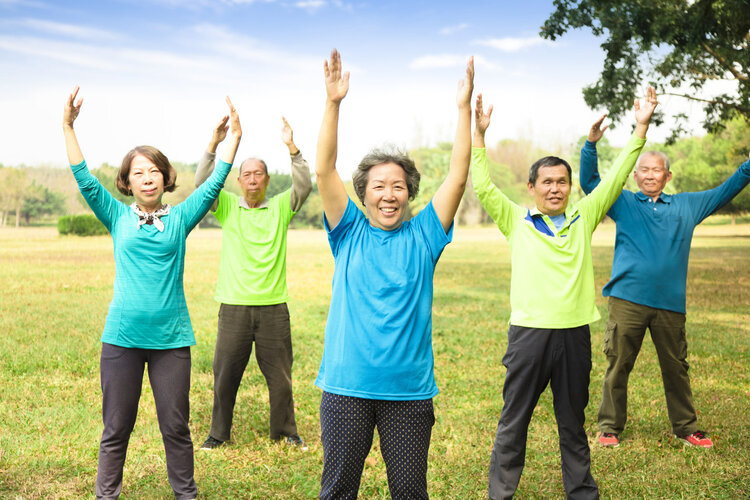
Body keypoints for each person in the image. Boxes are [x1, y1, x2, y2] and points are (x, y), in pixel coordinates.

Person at [472, 88, 657, 499]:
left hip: (574, 335)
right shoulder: (515, 219)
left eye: (562, 182)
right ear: (532, 186)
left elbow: (617, 176)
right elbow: (482, 185)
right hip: (529, 335)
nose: (555, 189)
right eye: (547, 182)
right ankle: (500, 494)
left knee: (572, 422)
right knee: (514, 419)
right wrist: (479, 135)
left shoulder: (584, 214)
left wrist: (640, 126)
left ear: (572, 187)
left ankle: (581, 491)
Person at [63, 86, 241, 500]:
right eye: (139, 171)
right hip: (121, 339)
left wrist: (231, 138)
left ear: (165, 178)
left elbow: (214, 184)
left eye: (154, 170)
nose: (147, 177)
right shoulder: (115, 215)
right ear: (127, 181)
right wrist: (68, 126)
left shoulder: (179, 219)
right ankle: (106, 495)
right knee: (115, 429)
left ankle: (186, 495)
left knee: (176, 428)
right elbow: (83, 178)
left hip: (171, 341)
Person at [314, 49, 474, 499]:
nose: (389, 195)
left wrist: (462, 110)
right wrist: (333, 103)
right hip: (347, 386)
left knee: (409, 491)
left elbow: (458, 177)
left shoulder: (424, 235)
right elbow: (324, 168)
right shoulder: (348, 231)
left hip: (408, 391)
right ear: (362, 194)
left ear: (410, 194)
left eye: (398, 186)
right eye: (378, 187)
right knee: (339, 489)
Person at [580, 115, 750, 450]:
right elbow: (590, 182)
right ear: (635, 174)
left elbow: (729, 187)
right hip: (627, 300)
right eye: (643, 170)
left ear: (667, 176)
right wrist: (591, 144)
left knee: (676, 368)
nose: (649, 175)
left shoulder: (687, 205)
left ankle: (686, 428)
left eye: (656, 170)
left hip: (670, 304)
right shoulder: (623, 201)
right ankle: (609, 428)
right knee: (618, 366)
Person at [195, 116, 312, 451]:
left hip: (274, 307)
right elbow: (204, 186)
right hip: (233, 307)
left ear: (267, 179)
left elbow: (303, 185)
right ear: (238, 179)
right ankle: (218, 433)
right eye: (246, 174)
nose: (251, 179)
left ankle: (285, 431)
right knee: (225, 376)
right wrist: (214, 144)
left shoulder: (280, 208)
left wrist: (293, 148)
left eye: (257, 173)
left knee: (281, 378)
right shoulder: (227, 206)